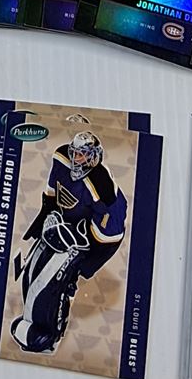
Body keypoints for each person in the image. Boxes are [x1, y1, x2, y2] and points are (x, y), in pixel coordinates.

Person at [9, 130, 128, 353]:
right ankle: (32, 318)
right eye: (74, 153)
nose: (75, 159)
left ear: (94, 156)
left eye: (82, 155)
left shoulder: (102, 186)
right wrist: (47, 216)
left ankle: (52, 331)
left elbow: (110, 234)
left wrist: (82, 257)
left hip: (94, 237)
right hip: (65, 224)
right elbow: (53, 193)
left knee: (58, 281)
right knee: (33, 271)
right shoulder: (61, 158)